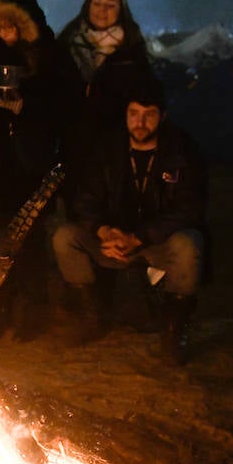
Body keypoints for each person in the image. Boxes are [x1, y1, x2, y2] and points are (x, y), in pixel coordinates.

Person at [52, 78, 209, 365]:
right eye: (133, 114)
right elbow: (85, 199)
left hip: (155, 243)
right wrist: (103, 231)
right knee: (65, 237)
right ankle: (91, 316)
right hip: (112, 241)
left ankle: (173, 333)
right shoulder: (107, 148)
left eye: (149, 115)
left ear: (162, 116)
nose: (140, 122)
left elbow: (189, 209)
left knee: (189, 243)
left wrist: (139, 237)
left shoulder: (182, 150)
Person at [0, 0, 81, 338]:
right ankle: (0, 308)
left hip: (28, 162)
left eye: (11, 26)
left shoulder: (50, 54)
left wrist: (27, 106)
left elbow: (68, 102)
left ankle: (33, 312)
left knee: (29, 241)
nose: (5, 33)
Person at [57, 0, 153, 144]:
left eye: (111, 5)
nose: (102, 10)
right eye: (97, 3)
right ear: (88, 6)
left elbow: (143, 94)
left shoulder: (132, 48)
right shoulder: (66, 43)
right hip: (69, 138)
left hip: (115, 142)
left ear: (121, 11)